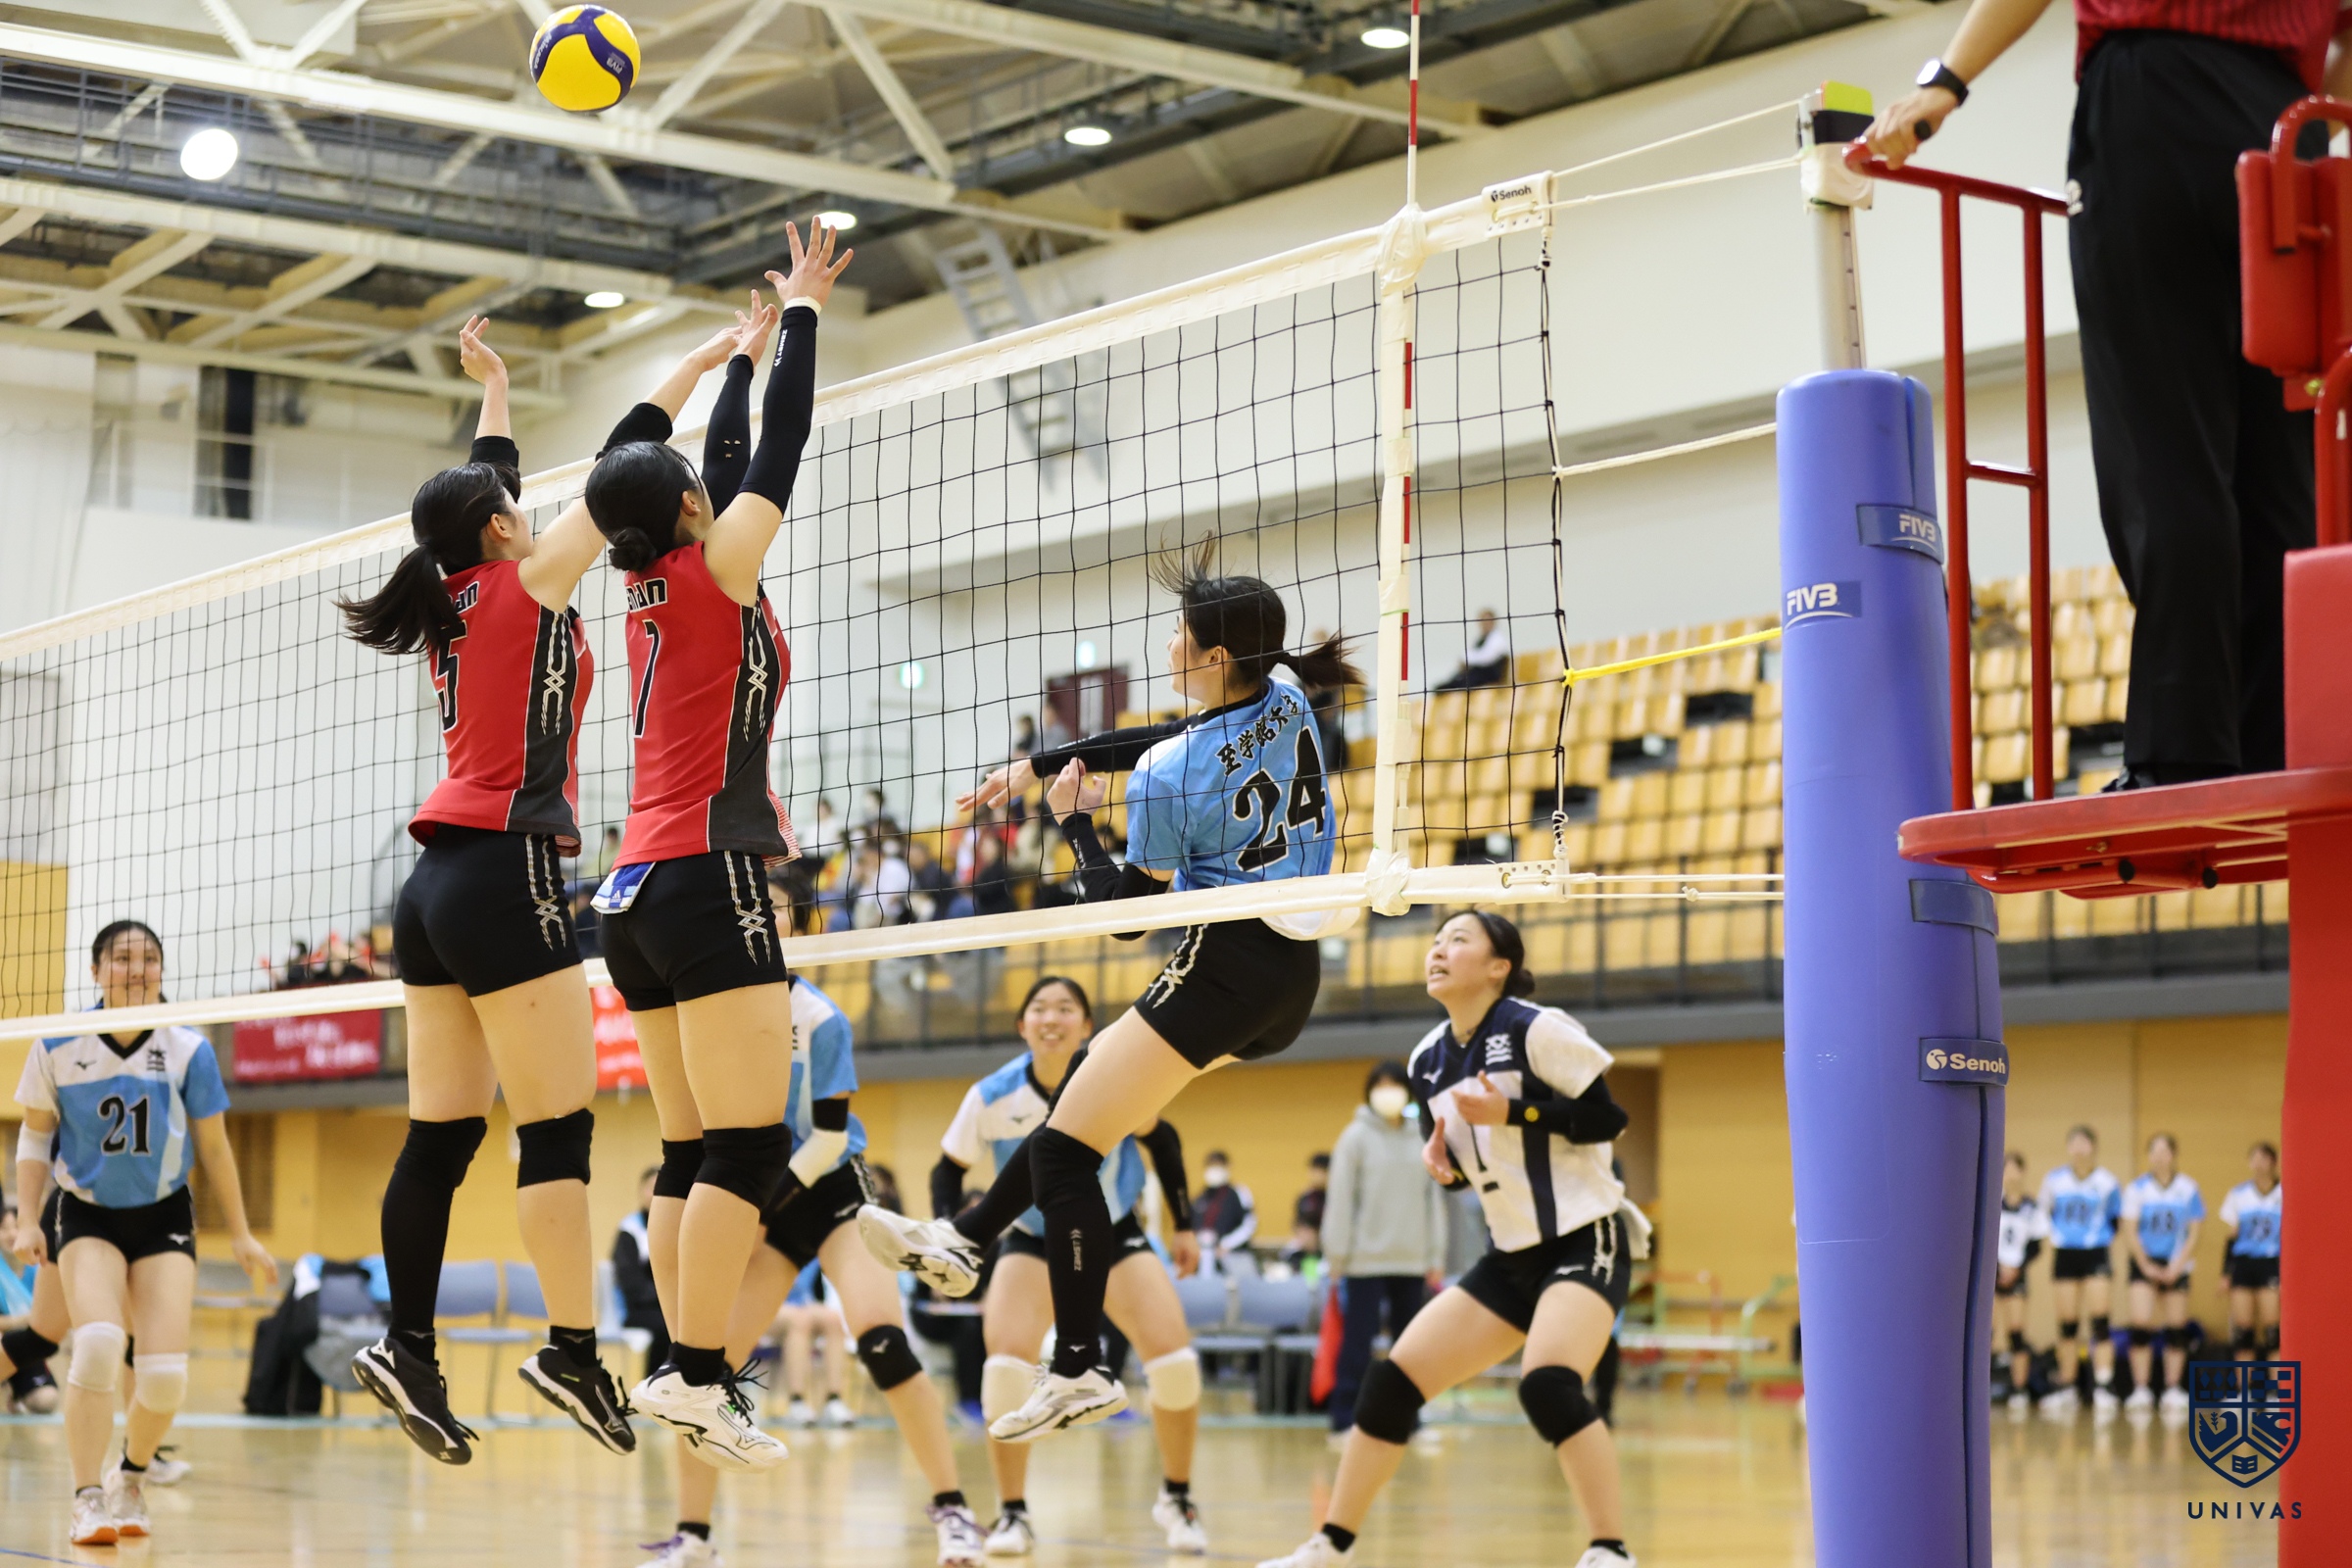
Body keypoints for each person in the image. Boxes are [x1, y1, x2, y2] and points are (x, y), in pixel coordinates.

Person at [338, 312, 765, 1463]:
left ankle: (409, 1344)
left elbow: (494, 477)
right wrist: (707, 366)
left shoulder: (452, 593)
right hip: (505, 870)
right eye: (510, 505)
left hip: (429, 887)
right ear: (498, 529)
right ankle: (573, 1348)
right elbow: (627, 463)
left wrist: (497, 388)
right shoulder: (531, 581)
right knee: (557, 1125)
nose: (524, 507)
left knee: (438, 1135)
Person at [858, 536, 1361, 1438]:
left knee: (1064, 1154)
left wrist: (1074, 826)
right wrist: (1040, 762)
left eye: (1178, 634)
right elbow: (1168, 740)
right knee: (1079, 1111)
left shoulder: (1169, 778)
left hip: (1222, 968)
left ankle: (1080, 1366)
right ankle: (966, 1239)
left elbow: (1126, 918)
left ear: (1214, 654)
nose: (1167, 645)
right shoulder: (1288, 696)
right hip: (1291, 974)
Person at [1865, 0, 2352, 787]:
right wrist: (2313, 132)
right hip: (2287, 133)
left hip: (2155, 97)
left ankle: (2183, 753)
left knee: (2163, 448)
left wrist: (1943, 83)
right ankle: (2278, 747)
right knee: (2281, 467)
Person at [583, 221, 851, 1471]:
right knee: (747, 1146)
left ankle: (683, 1370)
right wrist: (800, 316)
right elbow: (778, 450)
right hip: (707, 876)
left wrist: (729, 362)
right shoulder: (722, 566)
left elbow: (695, 459)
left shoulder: (646, 573)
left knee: (693, 1149)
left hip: (633, 894)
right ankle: (697, 1374)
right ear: (693, 506)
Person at [1259, 910, 1647, 1568]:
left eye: (1458, 940)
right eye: (1435, 941)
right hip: (1510, 1254)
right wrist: (1447, 1171)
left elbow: (1609, 1118)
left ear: (1499, 966)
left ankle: (1610, 1549)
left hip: (1585, 1237)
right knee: (1391, 1384)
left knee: (1547, 1385)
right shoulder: (1427, 1060)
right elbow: (1464, 1168)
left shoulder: (1535, 1028)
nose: (1438, 950)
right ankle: (1331, 1544)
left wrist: (1515, 1111)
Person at [636, 876, 985, 1568]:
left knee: (883, 1344)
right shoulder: (705, 1015)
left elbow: (827, 1138)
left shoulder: (821, 1019)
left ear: (800, 927)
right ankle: (694, 1536)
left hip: (829, 1193)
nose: (758, 920)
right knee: (699, 1371)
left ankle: (954, 1511)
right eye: (746, 909)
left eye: (774, 910)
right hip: (757, 1202)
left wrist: (756, 1206)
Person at [917, 976, 1209, 1556]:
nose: (1051, 1019)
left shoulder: (1113, 1075)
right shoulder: (992, 1094)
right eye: (1040, 1009)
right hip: (1031, 1239)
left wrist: (1183, 1223)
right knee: (1004, 1370)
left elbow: (1164, 1140)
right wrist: (954, 1236)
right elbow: (946, 1170)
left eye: (1066, 1009)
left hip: (1114, 1233)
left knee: (1176, 1366)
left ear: (1087, 1026)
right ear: (1022, 1025)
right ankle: (1012, 1513)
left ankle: (1177, 1498)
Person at [11, 920, 278, 1546]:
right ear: (96, 971)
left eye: (150, 959)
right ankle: (86, 1498)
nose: (138, 969)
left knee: (163, 1377)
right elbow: (34, 1136)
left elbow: (215, 1146)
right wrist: (25, 1219)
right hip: (87, 1213)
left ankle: (129, 1478)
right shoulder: (58, 1042)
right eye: (124, 958)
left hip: (164, 1216)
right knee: (98, 1343)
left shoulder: (188, 1047)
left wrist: (242, 1234)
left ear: (163, 969)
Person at [1321, 1061, 1450, 1434]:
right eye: (1380, 1084)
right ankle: (1344, 1420)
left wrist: (1435, 1254)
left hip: (1412, 1261)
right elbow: (1341, 1200)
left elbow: (1433, 1201)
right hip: (1363, 1263)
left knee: (1410, 1348)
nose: (1388, 1091)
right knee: (1356, 1346)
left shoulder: (1421, 1137)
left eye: (1395, 1084)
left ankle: (1409, 1420)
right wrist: (1336, 1255)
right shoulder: (1354, 1138)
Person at [2036, 1125, 2122, 1417]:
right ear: (2068, 1147)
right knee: (2067, 1324)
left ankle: (2104, 1386)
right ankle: (2068, 1386)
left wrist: (2095, 1237)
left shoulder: (2107, 1182)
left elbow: (2115, 1219)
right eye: (2075, 1143)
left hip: (2096, 1252)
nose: (2080, 1148)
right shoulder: (2054, 1180)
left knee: (2100, 1321)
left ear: (2094, 1147)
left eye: (2085, 1143)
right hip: (2066, 1253)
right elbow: (2044, 1214)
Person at [2121, 1132, 2203, 1416]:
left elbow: (2195, 1232)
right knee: (2140, 1324)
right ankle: (2141, 1389)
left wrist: (2177, 1266)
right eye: (2154, 1151)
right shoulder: (2137, 1188)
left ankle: (2172, 1388)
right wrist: (2144, 1264)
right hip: (2145, 1261)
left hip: (2176, 1262)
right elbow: (2129, 1230)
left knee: (2176, 1328)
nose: (2159, 1157)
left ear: (2173, 1154)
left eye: (2164, 1151)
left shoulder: (2188, 1188)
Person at [1, 1177, 68, 1415]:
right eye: (4, 1228)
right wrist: (28, 1319)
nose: (11, 1234)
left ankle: (18, 1391)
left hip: (26, 1346)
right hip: (8, 1340)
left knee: (46, 1401)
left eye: (16, 1227)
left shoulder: (39, 1266)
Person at [1994, 1151, 2048, 1414]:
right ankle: (1982, 1387)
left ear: (2023, 1172)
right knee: (1986, 1333)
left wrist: (2017, 1268)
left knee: (2016, 1333)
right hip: (1993, 1274)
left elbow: (2037, 1246)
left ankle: (2019, 1389)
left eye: (2016, 1169)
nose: (2012, 1174)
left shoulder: (2031, 1208)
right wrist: (1997, 1269)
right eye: (2007, 1169)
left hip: (2017, 1275)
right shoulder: (1992, 1203)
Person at [2219, 1141, 2282, 1361]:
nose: (2258, 1163)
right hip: (2244, 1263)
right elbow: (2231, 1236)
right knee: (2243, 1332)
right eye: (2254, 1158)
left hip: (2272, 1262)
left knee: (2273, 1331)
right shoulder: (2239, 1194)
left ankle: (2278, 1382)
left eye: (2264, 1158)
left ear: (2273, 1162)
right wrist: (2225, 1274)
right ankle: (2244, 1383)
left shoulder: (2285, 1193)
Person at [771, 1264, 855, 1429]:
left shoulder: (814, 1257)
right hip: (767, 1305)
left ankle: (834, 1399)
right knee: (800, 1321)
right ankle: (796, 1402)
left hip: (803, 1304)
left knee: (834, 1320)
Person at [614, 1167, 670, 1378]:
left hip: (669, 1306)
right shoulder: (629, 1231)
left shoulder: (676, 1228)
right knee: (668, 1326)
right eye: (651, 1188)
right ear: (641, 1191)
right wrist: (665, 1297)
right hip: (637, 1310)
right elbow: (630, 1283)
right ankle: (652, 1385)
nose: (656, 1195)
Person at [1195, 1152, 1258, 1275]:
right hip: (1206, 1258)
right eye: (1211, 1166)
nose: (1214, 1170)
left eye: (1218, 1166)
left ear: (1227, 1167)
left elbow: (1250, 1224)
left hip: (1234, 1255)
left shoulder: (1239, 1193)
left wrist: (1226, 1244)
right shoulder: (1201, 1197)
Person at [1436, 610, 1509, 692]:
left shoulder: (1498, 639)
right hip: (1477, 672)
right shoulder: (1480, 639)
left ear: (1493, 622)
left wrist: (1467, 660)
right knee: (1454, 681)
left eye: (1487, 620)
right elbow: (1472, 654)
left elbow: (1486, 658)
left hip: (1487, 675)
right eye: (1482, 621)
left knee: (1464, 683)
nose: (1484, 624)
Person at [1288, 1152, 1330, 1265]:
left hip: (1328, 1248)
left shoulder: (1335, 1199)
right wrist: (1303, 1235)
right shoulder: (1305, 1198)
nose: (1317, 1175)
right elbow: (1298, 1223)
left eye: (1321, 1171)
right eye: (1314, 1171)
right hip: (1306, 1249)